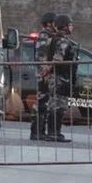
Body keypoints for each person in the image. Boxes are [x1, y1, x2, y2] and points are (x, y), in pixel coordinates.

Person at [43, 14, 77, 143]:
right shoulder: (62, 41)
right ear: (64, 25)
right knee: (59, 107)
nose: (72, 27)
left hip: (55, 77)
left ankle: (53, 132)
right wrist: (49, 69)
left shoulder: (53, 39)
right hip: (60, 77)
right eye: (70, 24)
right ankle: (54, 133)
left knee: (53, 105)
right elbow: (58, 58)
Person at [30, 11, 58, 141]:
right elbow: (41, 56)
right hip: (43, 75)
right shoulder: (44, 37)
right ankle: (36, 132)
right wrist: (44, 73)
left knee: (45, 103)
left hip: (46, 74)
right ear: (48, 24)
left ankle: (41, 131)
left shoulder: (50, 36)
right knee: (41, 103)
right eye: (54, 23)